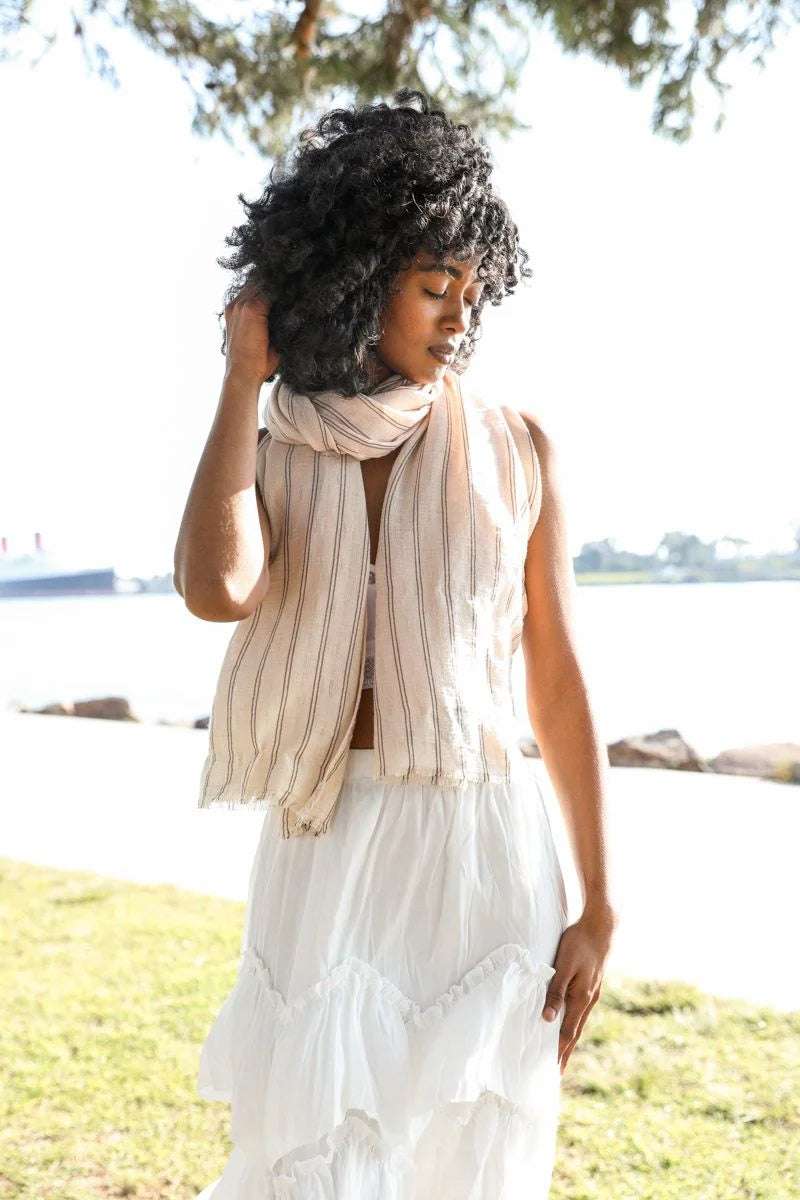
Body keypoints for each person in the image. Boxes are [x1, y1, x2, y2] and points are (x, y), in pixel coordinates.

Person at [174, 88, 617, 1200]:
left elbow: (553, 679)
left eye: (473, 290)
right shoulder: (274, 447)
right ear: (358, 276)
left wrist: (597, 901)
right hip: (327, 838)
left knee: (464, 1162)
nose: (460, 314)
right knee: (314, 1160)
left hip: (478, 849)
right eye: (433, 287)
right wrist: (241, 377)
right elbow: (216, 589)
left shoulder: (517, 448)